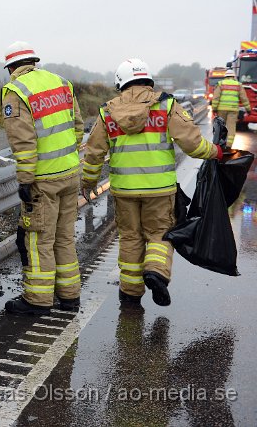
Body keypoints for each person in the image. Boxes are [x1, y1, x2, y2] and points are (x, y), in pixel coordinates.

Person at [81, 58, 223, 308]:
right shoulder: (166, 106)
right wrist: (216, 152)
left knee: (130, 237)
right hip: (160, 189)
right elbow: (192, 144)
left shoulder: (107, 111)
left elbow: (93, 154)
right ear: (148, 80)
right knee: (160, 234)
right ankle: (156, 272)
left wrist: (89, 182)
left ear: (120, 83)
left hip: (124, 190)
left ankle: (130, 292)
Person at [1, 41, 84, 315]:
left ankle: (38, 300)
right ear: (33, 61)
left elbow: (23, 142)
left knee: (38, 240)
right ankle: (70, 296)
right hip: (70, 173)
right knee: (64, 238)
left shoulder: (15, 91)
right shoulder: (61, 82)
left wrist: (25, 180)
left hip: (43, 180)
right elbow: (77, 127)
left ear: (12, 67)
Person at [211, 69, 251, 148]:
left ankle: (219, 145)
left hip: (221, 109)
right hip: (233, 110)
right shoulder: (238, 85)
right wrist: (248, 109)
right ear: (234, 76)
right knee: (231, 128)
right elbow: (244, 98)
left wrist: (214, 108)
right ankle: (228, 146)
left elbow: (216, 97)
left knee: (220, 127)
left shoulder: (221, 84)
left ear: (225, 76)